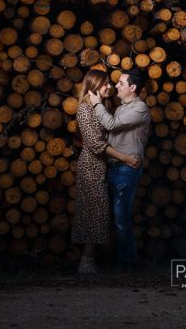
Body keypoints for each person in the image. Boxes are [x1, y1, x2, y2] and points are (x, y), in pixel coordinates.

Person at [71, 68, 140, 275]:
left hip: (102, 166)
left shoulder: (104, 107)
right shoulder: (85, 109)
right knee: (95, 213)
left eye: (109, 83)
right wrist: (126, 157)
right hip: (91, 165)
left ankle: (92, 261)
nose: (109, 86)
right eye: (104, 84)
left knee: (99, 213)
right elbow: (95, 144)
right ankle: (86, 262)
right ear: (93, 86)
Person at [88, 68, 151, 270]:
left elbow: (112, 125)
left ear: (132, 87)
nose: (116, 85)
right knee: (115, 216)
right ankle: (121, 261)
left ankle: (127, 265)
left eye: (121, 83)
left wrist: (97, 104)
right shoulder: (122, 107)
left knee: (121, 217)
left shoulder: (139, 108)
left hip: (127, 169)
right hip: (115, 167)